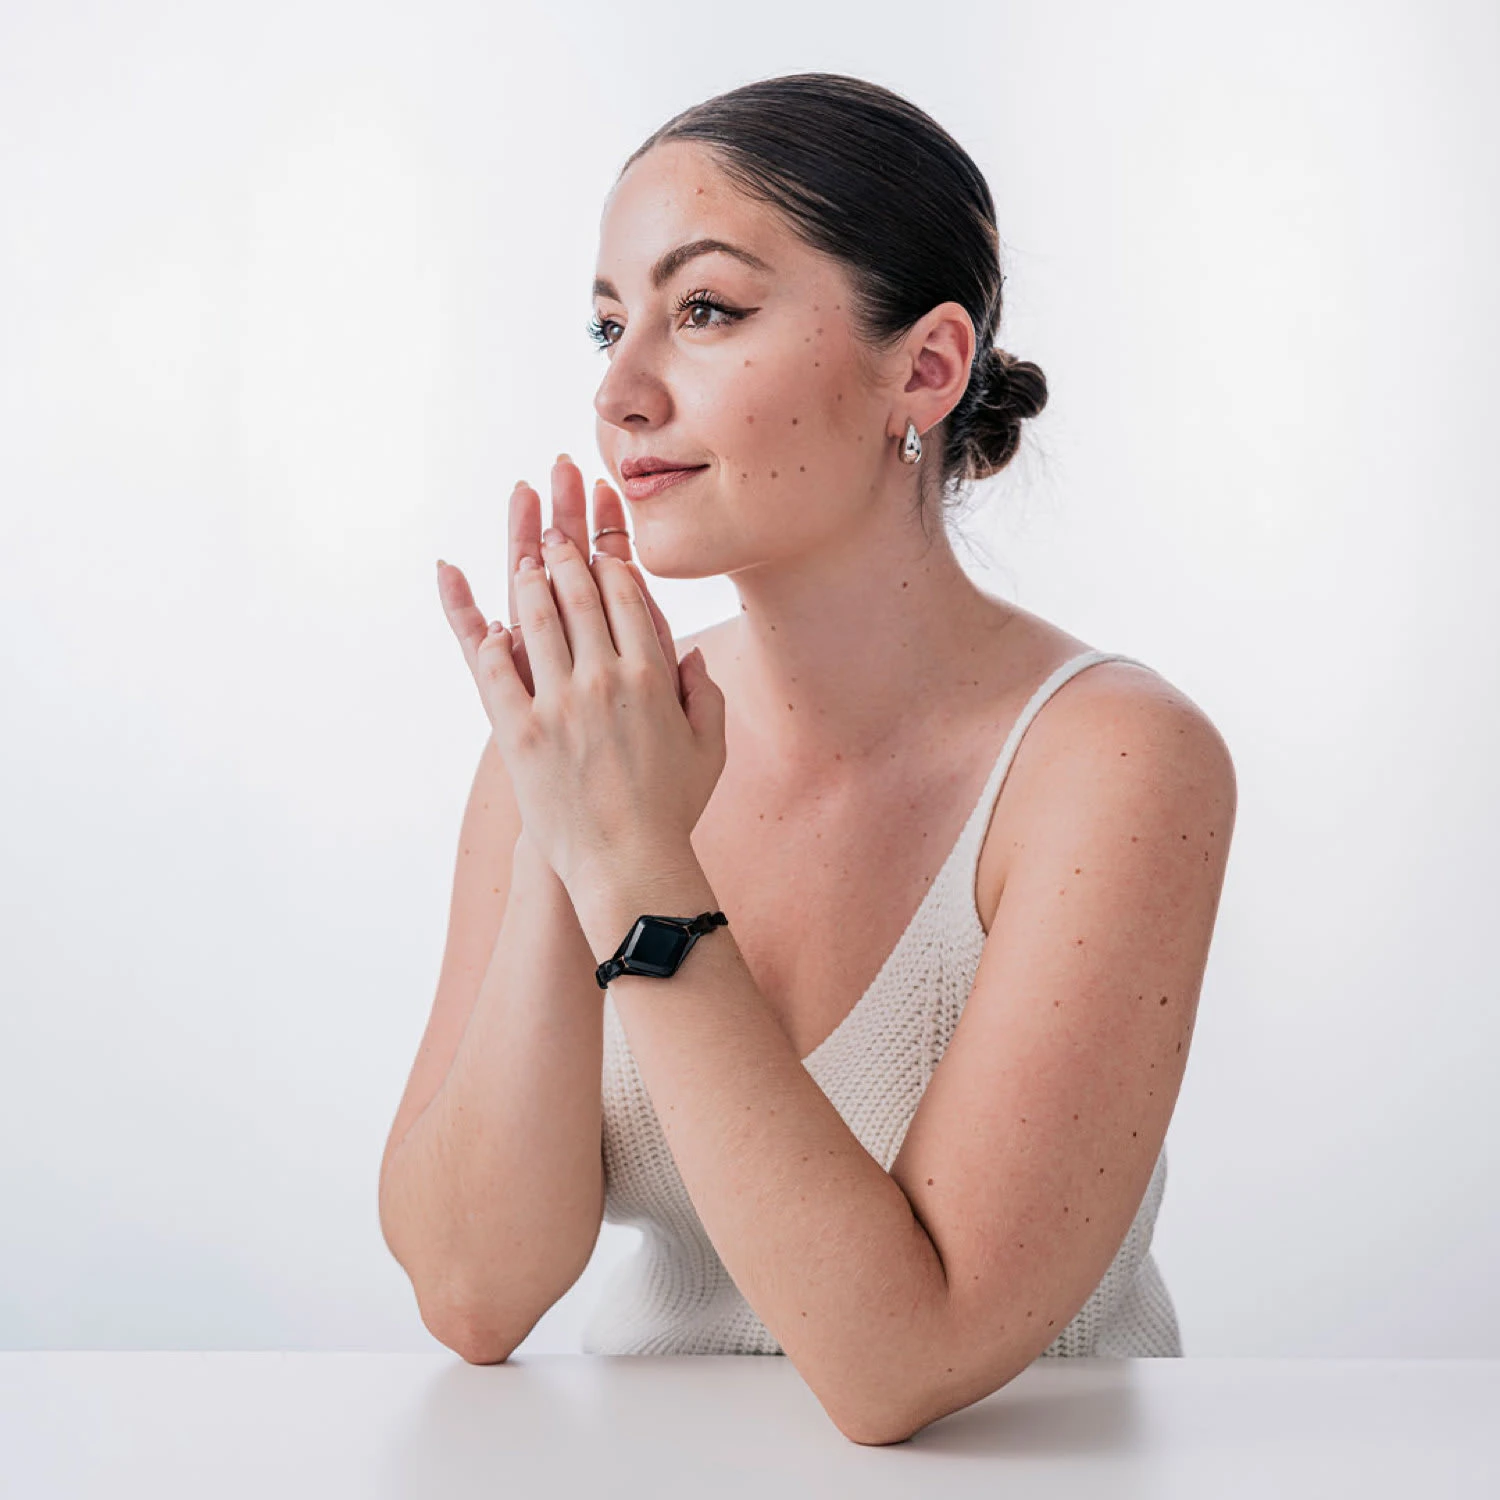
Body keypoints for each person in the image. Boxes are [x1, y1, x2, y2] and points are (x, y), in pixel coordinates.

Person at [392, 72, 1236, 1440]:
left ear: (927, 368)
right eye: (608, 325)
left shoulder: (1116, 763)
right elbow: (472, 1293)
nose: (619, 391)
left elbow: (902, 1363)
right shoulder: (586, 739)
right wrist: (571, 825)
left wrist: (636, 867)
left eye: (704, 310)